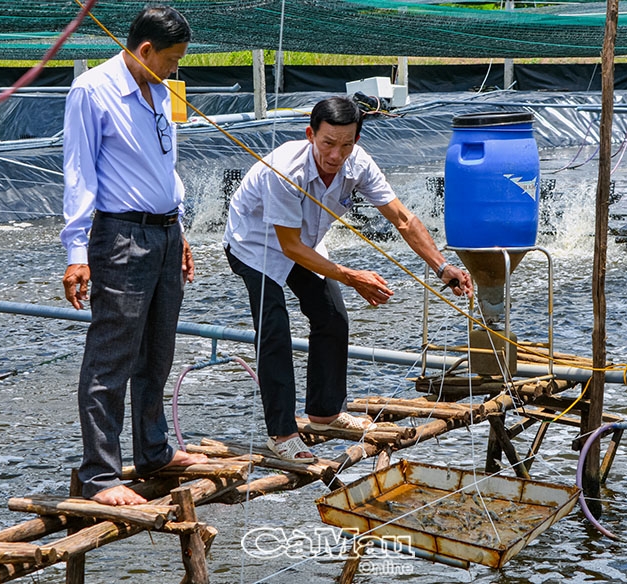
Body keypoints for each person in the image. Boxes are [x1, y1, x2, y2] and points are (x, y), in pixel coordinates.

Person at [223, 96, 473, 462]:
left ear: (356, 140)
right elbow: (288, 246)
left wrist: (441, 266)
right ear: (311, 135)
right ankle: (282, 433)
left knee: (333, 317)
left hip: (303, 241)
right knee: (274, 327)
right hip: (255, 243)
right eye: (327, 143)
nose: (336, 155)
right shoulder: (284, 170)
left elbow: (402, 218)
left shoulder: (358, 163)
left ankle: (325, 413)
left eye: (346, 144)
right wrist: (352, 276)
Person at [60, 4, 206, 507]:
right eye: (170, 58)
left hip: (165, 234)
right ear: (144, 50)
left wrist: (180, 228)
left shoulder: (162, 91)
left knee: (158, 351)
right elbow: (78, 175)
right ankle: (101, 474)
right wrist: (77, 252)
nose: (174, 68)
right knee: (112, 356)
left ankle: (153, 451)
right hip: (120, 236)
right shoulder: (92, 91)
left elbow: (166, 166)